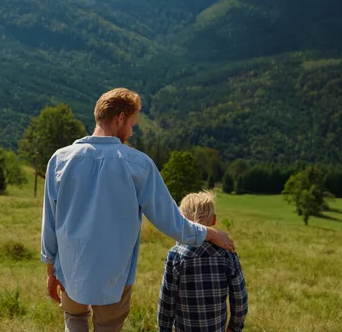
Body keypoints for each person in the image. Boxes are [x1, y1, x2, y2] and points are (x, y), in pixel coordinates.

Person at [40, 87, 235, 332]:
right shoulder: (137, 164)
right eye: (132, 124)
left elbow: (50, 223)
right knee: (108, 326)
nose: (131, 132)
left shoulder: (59, 159)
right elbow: (172, 222)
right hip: (114, 277)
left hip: (69, 270)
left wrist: (50, 270)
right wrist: (211, 233)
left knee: (75, 320)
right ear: (120, 118)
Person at [157, 191, 248, 332]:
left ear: (182, 220)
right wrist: (234, 327)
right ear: (214, 220)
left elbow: (166, 302)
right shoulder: (227, 254)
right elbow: (240, 298)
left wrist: (164, 329)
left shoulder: (175, 256)